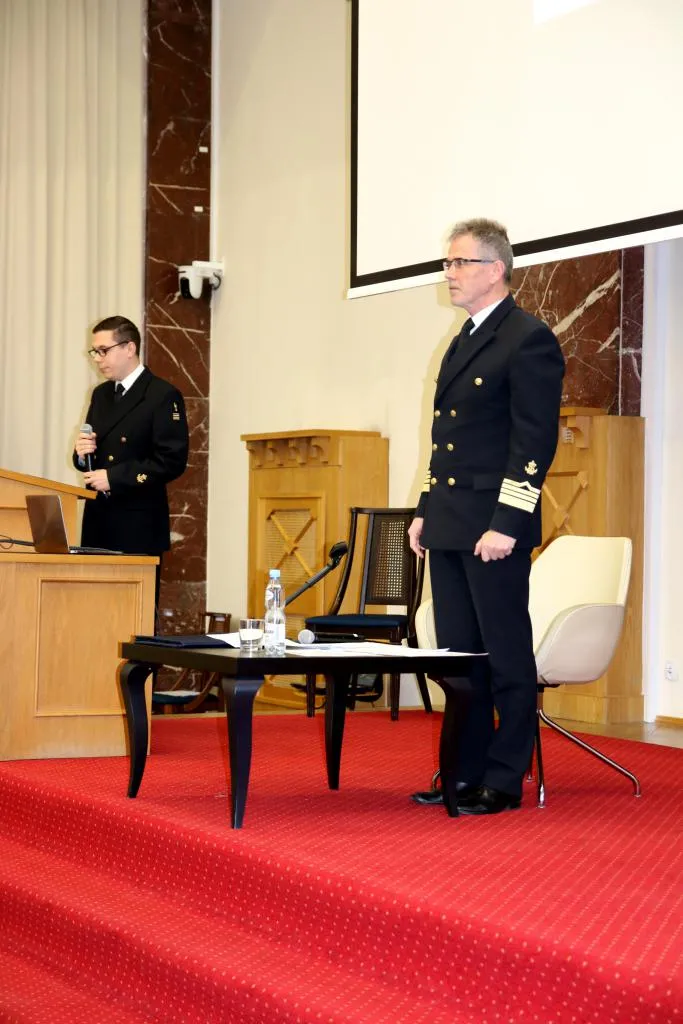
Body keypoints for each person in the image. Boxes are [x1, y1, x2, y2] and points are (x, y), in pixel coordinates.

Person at [408, 218, 565, 815]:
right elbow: (445, 440)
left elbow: (533, 443)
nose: (449, 273)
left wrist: (507, 523)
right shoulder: (464, 337)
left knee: (504, 655)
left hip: (493, 525)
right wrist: (426, 510)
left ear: (495, 270)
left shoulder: (528, 338)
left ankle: (502, 777)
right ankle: (463, 771)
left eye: (460, 262)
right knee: (460, 659)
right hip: (451, 522)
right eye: (447, 263)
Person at [73, 316, 189, 572]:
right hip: (98, 519)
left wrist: (115, 478)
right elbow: (94, 450)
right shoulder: (101, 394)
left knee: (133, 598)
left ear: (129, 348)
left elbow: (171, 461)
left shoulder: (161, 394)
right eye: (95, 352)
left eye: (104, 350)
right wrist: (82, 454)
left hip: (137, 524)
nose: (97, 358)